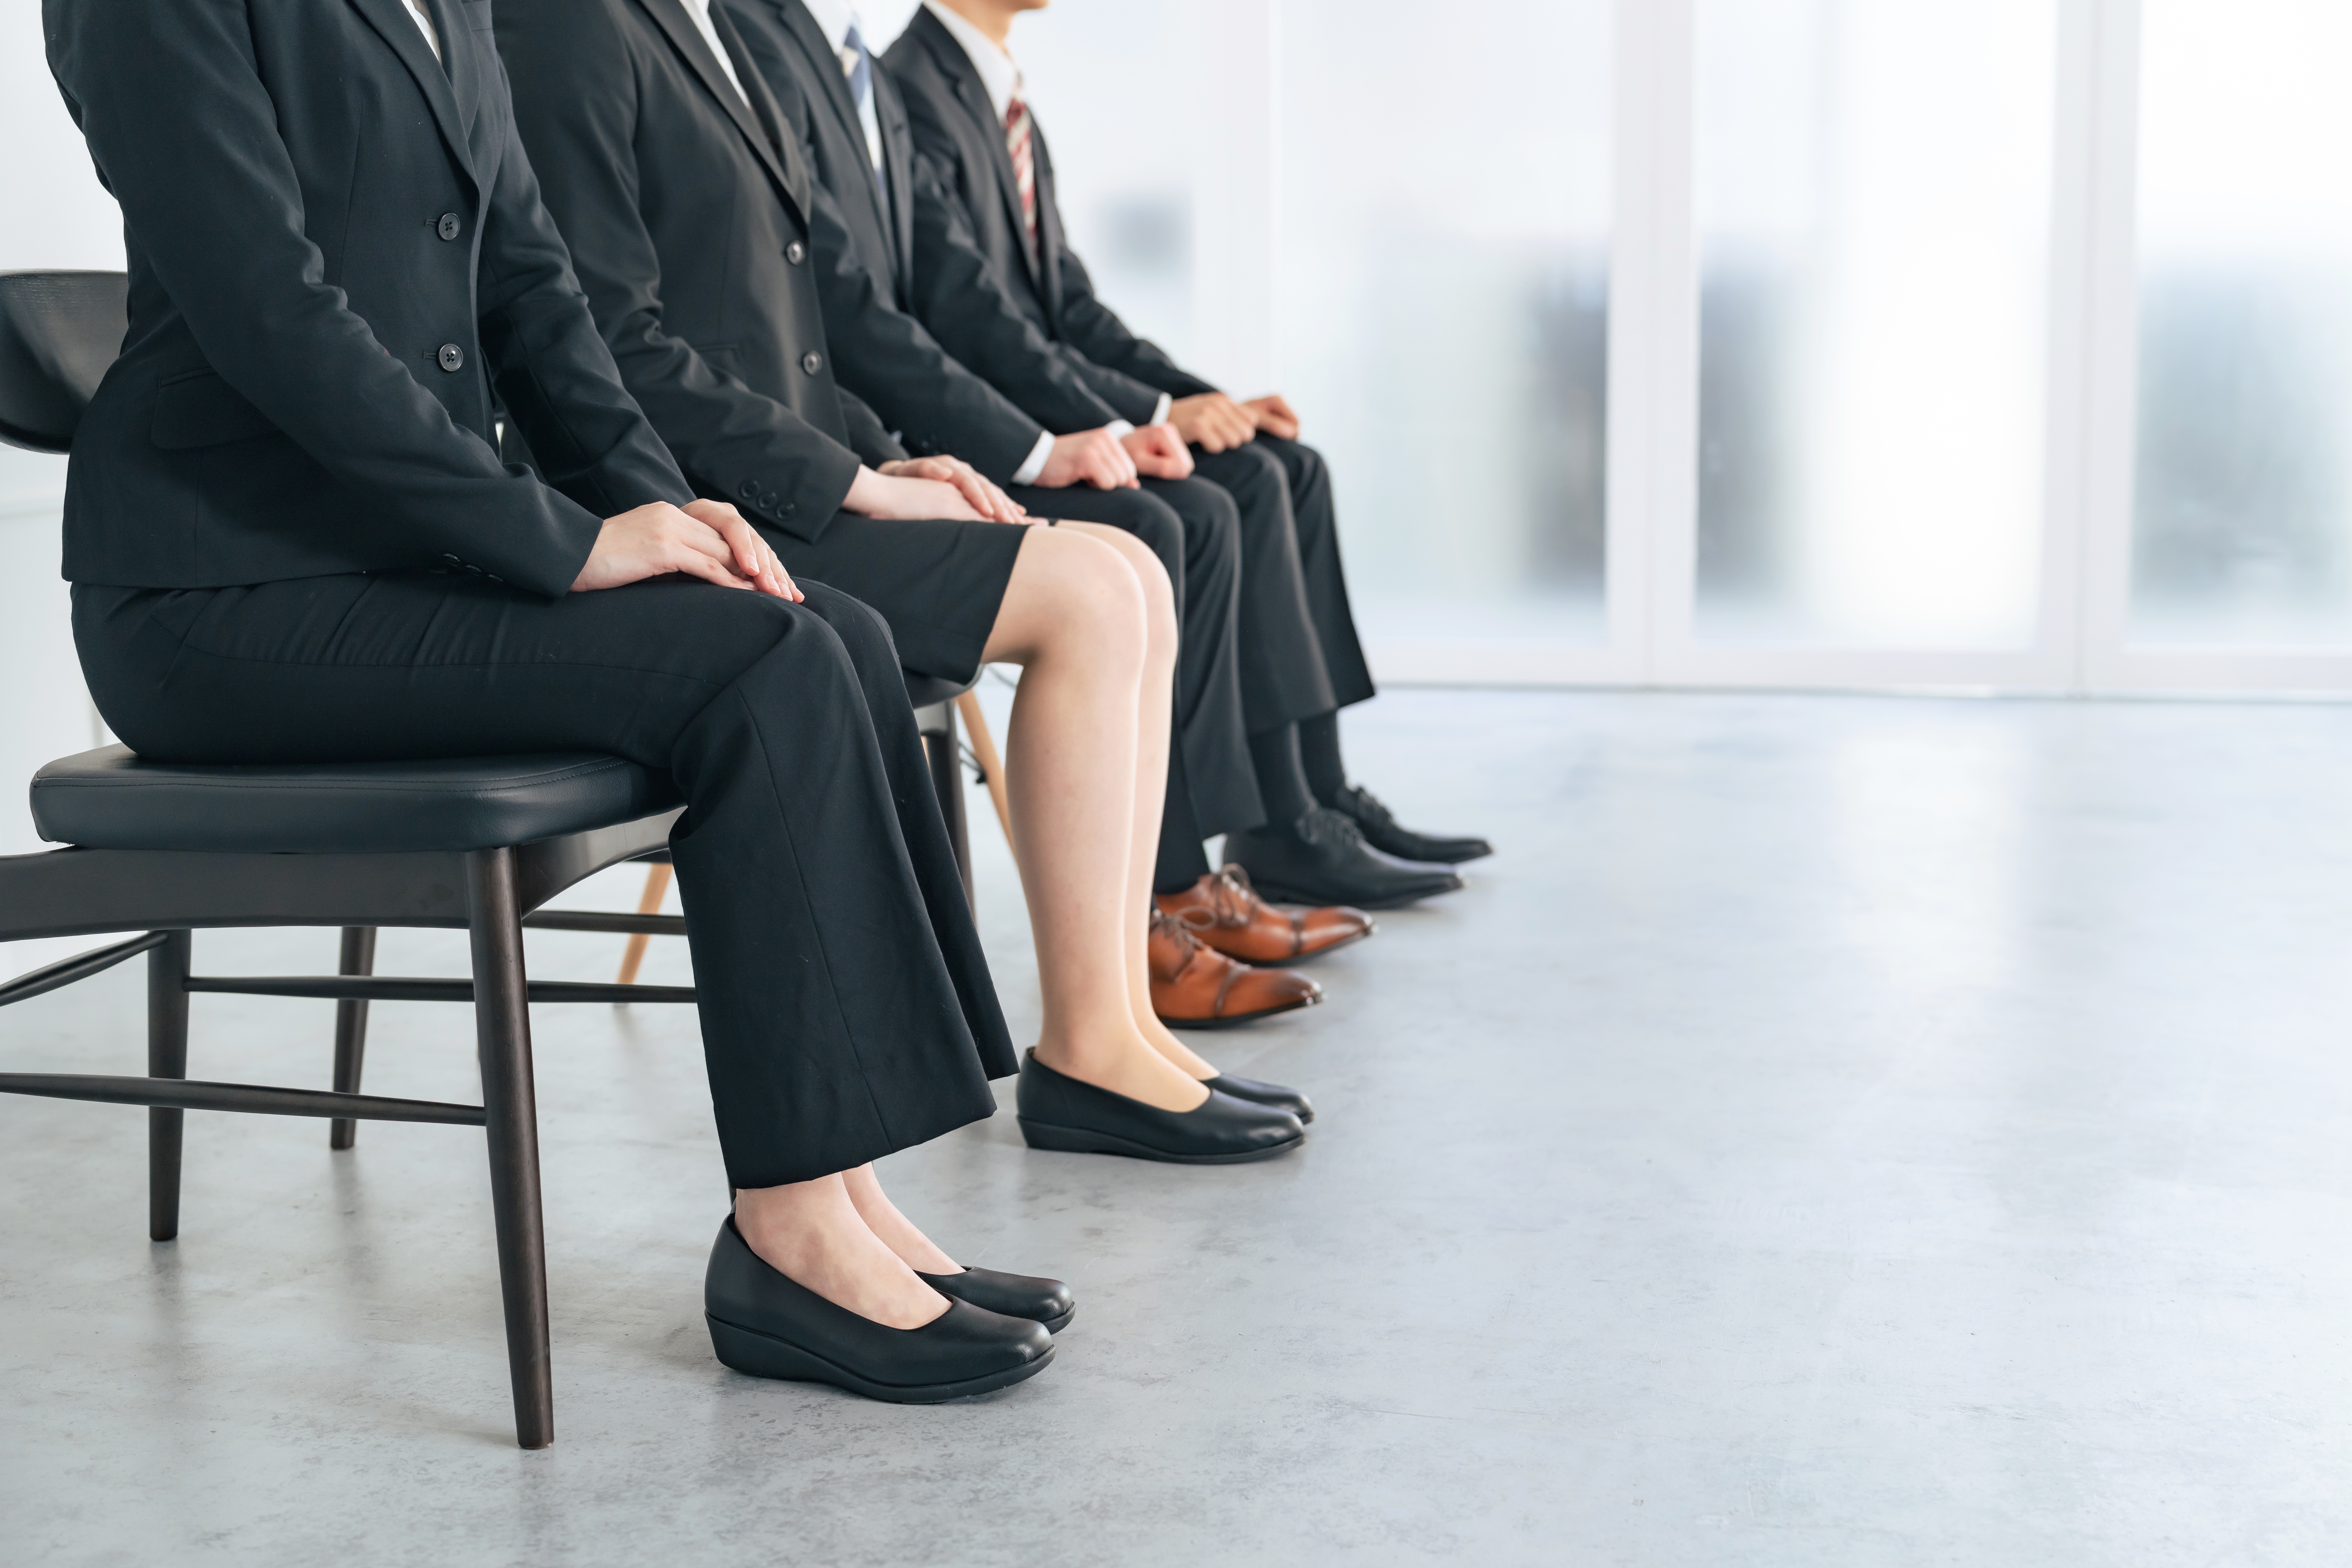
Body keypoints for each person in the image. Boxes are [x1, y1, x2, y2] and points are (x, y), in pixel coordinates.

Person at [42, 0, 1083, 1403]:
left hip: (390, 561)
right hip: (219, 601)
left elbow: (535, 291)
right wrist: (560, 538)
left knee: (813, 625)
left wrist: (672, 515)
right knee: (760, 668)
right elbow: (268, 310)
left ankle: (843, 1198)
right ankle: (789, 1240)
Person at [490, 0, 1318, 1154]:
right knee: (1089, 593)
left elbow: (802, 328)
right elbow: (609, 342)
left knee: (1126, 566)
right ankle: (1089, 1051)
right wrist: (847, 482)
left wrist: (883, 452)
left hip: (799, 481)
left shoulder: (737, 24)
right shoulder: (574, 28)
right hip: (707, 509)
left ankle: (1119, 1020)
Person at [715, 0, 1374, 1021]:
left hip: (893, 437)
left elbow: (1042, 305)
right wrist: (1028, 447)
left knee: (1247, 477)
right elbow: (869, 320)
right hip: (847, 449)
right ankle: (1168, 905)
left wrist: (1166, 405)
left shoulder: (868, 79)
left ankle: (1277, 823)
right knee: (1163, 520)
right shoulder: (780, 47)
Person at [886, 0, 1496, 914]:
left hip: (1053, 407)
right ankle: (1272, 824)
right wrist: (1144, 421)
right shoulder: (909, 88)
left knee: (1285, 461)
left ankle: (1315, 797)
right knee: (1225, 495)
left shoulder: (1002, 95)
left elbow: (1072, 312)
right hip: (987, 432)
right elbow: (978, 322)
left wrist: (1194, 400)